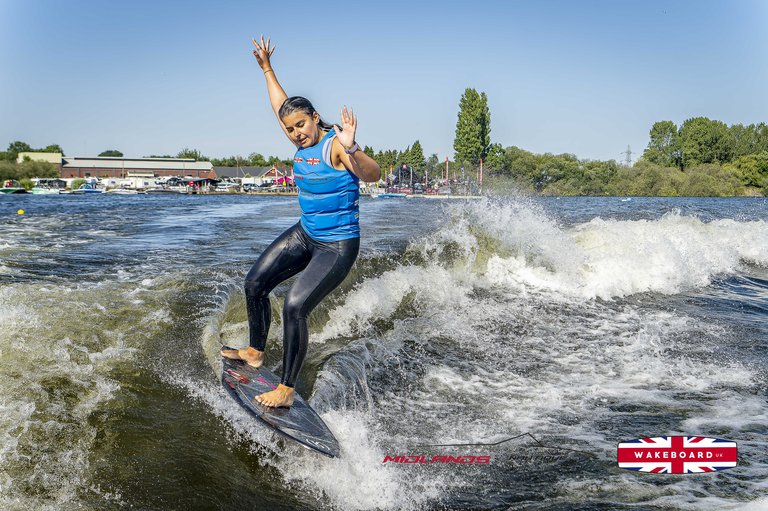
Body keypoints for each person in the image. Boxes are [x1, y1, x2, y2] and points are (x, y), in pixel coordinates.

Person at [221, 35, 381, 408]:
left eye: (301, 125)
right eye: (290, 128)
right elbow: (281, 104)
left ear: (314, 117)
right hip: (306, 233)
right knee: (255, 283)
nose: (296, 132)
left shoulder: (335, 144)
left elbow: (372, 175)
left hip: (337, 244)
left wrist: (354, 146)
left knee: (294, 305)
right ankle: (255, 353)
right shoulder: (298, 141)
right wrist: (266, 68)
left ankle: (287, 389)